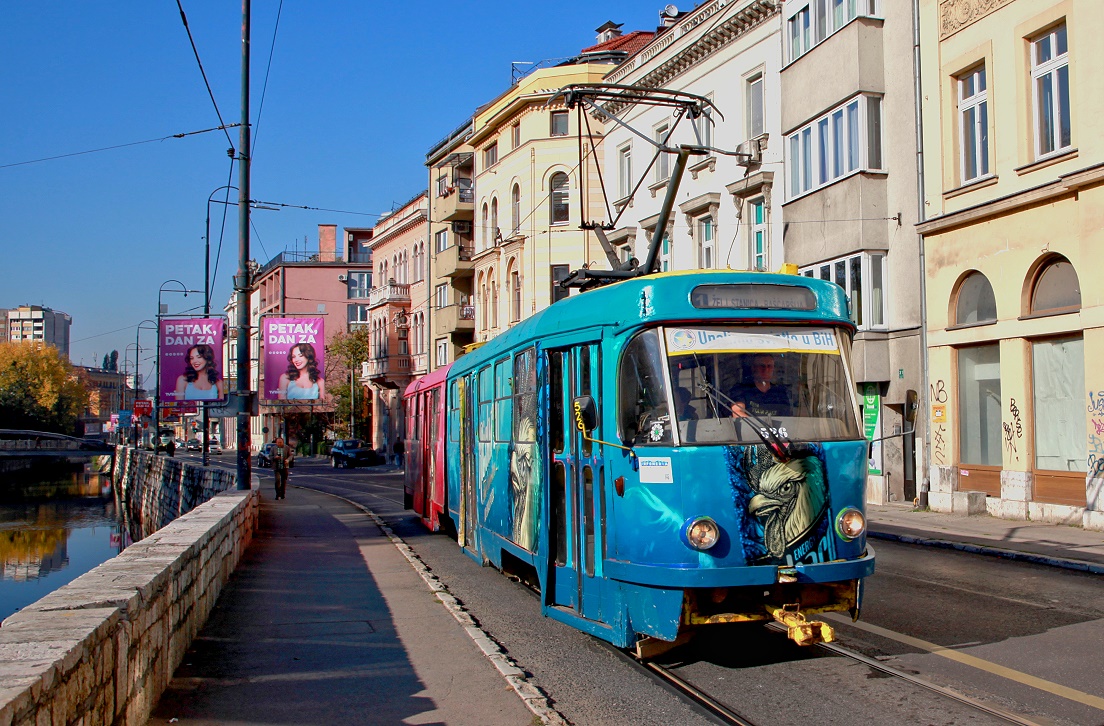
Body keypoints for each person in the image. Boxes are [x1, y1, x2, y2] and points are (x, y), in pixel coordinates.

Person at [730, 353, 792, 419]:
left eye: (769, 366)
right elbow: (737, 413)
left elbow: (787, 418)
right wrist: (761, 428)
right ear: (753, 368)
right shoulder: (741, 390)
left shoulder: (780, 393)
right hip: (749, 428)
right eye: (762, 366)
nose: (766, 370)